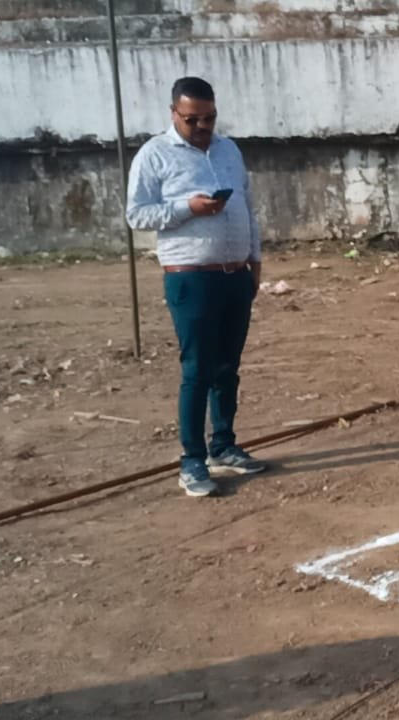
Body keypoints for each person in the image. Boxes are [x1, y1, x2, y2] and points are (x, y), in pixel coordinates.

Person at [127, 76, 267, 498]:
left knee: (227, 367)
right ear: (174, 113)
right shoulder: (155, 155)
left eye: (209, 118)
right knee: (198, 370)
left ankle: (223, 445)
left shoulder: (228, 150)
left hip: (234, 274)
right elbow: (137, 214)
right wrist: (187, 208)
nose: (203, 127)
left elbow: (246, 205)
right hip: (191, 277)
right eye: (193, 120)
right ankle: (192, 459)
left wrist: (254, 259)